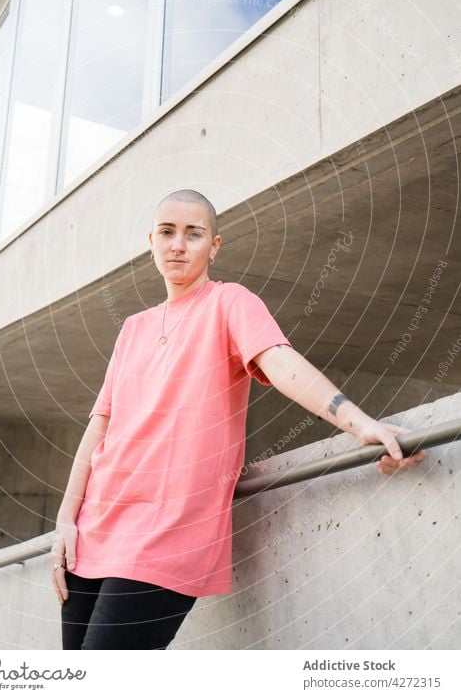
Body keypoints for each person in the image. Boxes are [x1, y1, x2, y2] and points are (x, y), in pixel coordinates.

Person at [52, 189, 426, 650]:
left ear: (215, 245)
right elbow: (101, 426)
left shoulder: (230, 302)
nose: (178, 244)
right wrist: (66, 520)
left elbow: (281, 363)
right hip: (93, 530)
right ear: (150, 241)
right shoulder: (133, 328)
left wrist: (359, 422)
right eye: (167, 233)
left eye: (194, 234)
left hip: (167, 534)